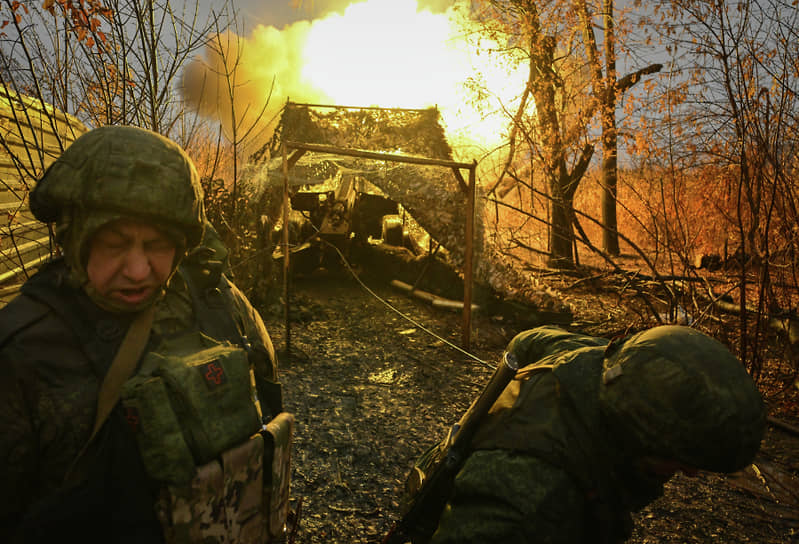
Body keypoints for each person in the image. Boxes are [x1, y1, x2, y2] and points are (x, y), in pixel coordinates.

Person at [0, 126, 291, 543]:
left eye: (156, 245)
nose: (139, 270)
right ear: (74, 240)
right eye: (114, 244)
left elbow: (268, 430)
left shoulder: (220, 305)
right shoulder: (22, 352)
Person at [400, 325, 766, 544]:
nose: (690, 473)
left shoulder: (596, 364)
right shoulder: (531, 504)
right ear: (637, 432)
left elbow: (528, 340)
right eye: (681, 460)